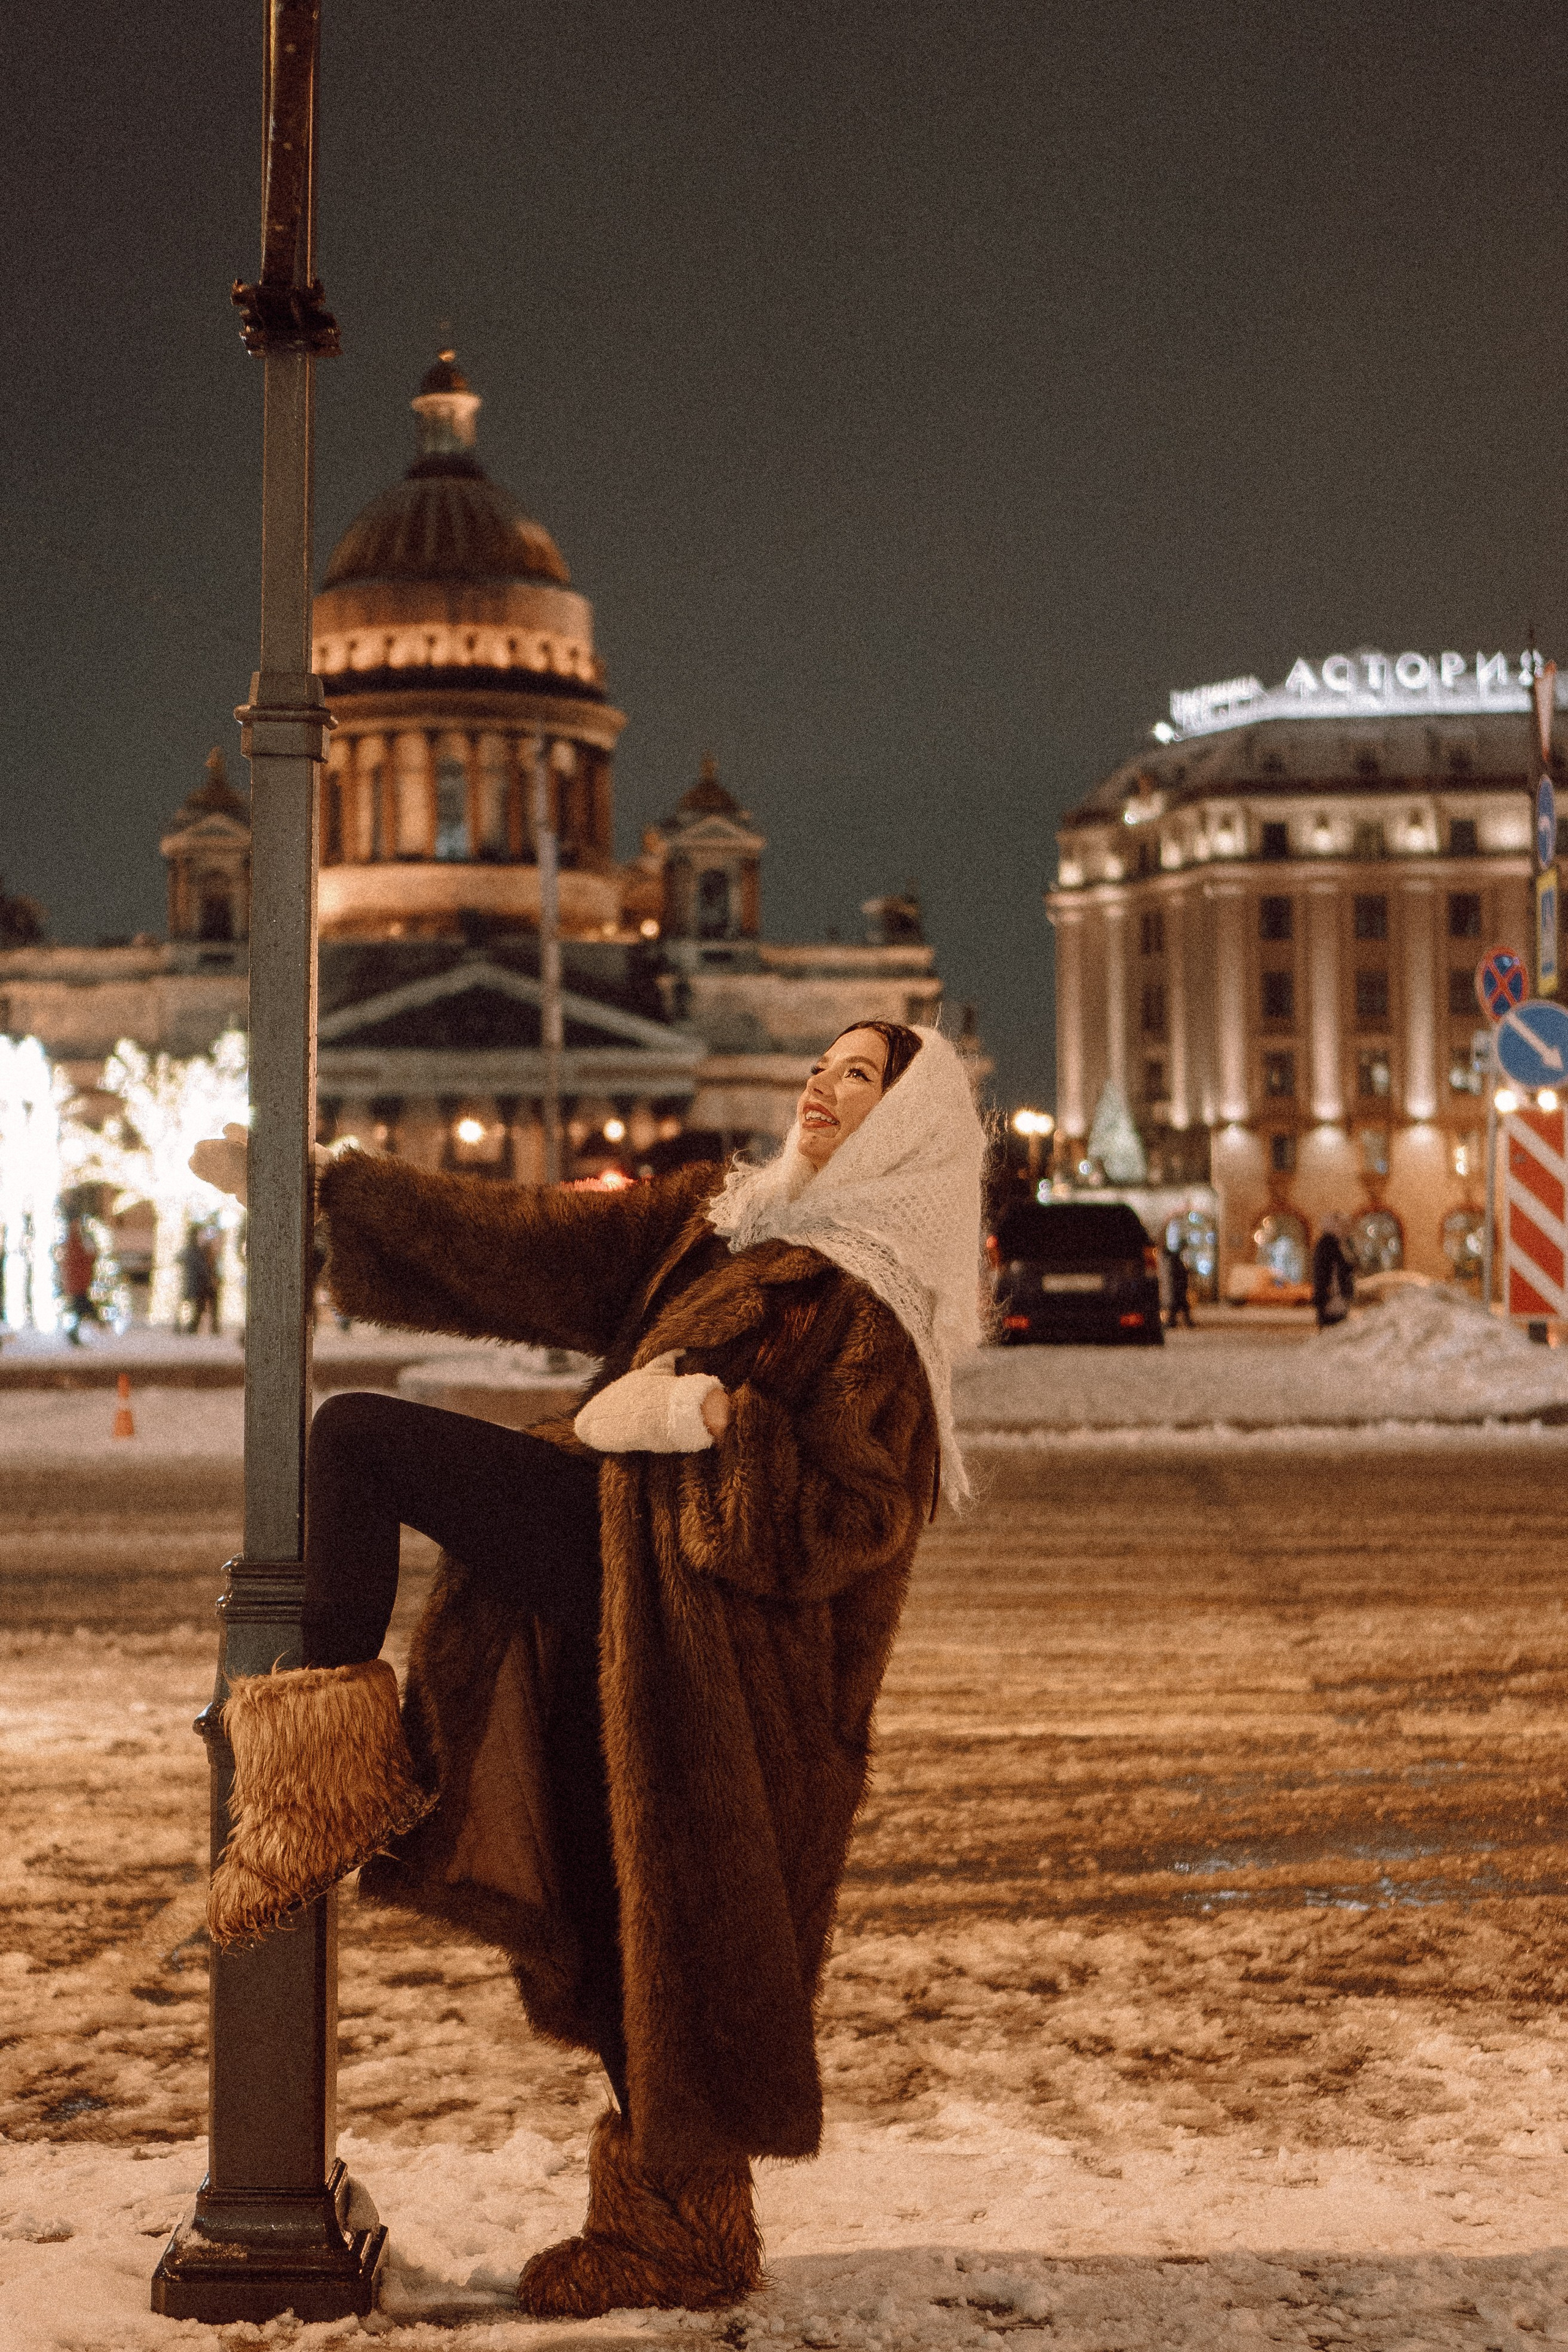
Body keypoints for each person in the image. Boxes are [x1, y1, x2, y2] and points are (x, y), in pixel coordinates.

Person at [190, 1020, 986, 2318]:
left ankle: (316, 1785)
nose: (820, 1089)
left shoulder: (876, 1297)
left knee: (360, 1441)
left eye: (860, 1079)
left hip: (730, 1668)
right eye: (820, 1065)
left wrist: (696, 1426)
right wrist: (330, 1188)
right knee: (638, 1928)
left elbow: (844, 1522)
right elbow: (523, 1245)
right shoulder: (725, 1224)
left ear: (909, 1125)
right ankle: (682, 2236)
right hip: (629, 1607)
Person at [1311, 1214, 1356, 1327]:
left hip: (1336, 1293)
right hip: (1333, 1294)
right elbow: (1326, 1272)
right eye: (1341, 1226)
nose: (1344, 1229)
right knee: (1332, 1325)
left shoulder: (1342, 1243)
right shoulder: (1328, 1244)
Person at [59, 1216, 98, 1346]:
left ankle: (75, 1334)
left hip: (78, 1284)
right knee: (82, 1309)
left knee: (80, 1309)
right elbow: (85, 1260)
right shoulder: (76, 1243)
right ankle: (75, 1334)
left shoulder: (73, 1242)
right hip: (79, 1284)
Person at [179, 1224, 220, 1335]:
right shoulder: (195, 1251)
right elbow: (203, 1269)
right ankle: (191, 1328)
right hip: (200, 1284)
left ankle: (197, 1328)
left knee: (202, 1307)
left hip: (203, 1284)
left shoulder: (202, 1250)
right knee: (197, 1306)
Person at [1164, 1237, 1193, 1329]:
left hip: (1179, 1285)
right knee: (1180, 1305)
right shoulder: (1176, 1258)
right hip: (1178, 1286)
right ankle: (1174, 1321)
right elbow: (1179, 1273)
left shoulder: (1177, 1258)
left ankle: (1173, 1322)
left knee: (1178, 1305)